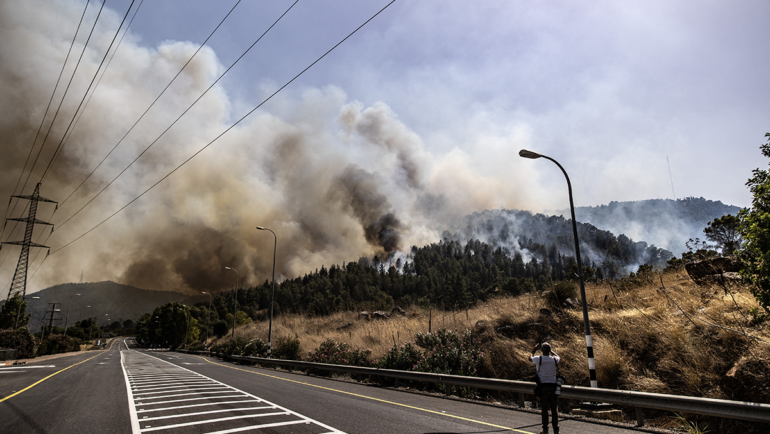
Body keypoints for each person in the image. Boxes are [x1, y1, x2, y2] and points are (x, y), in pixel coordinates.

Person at [529, 342, 560, 434]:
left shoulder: (539, 359)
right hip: (553, 387)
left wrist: (534, 350)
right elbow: (558, 356)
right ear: (549, 350)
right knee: (554, 410)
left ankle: (545, 429)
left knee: (545, 410)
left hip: (543, 387)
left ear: (542, 350)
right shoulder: (555, 359)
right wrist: (552, 351)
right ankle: (556, 430)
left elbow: (530, 358)